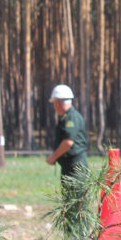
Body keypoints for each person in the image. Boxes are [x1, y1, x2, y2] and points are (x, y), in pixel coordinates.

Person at [46, 85, 89, 229]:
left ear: (58, 102)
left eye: (54, 103)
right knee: (70, 201)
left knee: (76, 202)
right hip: (69, 165)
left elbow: (68, 142)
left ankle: (80, 234)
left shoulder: (71, 117)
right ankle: (72, 232)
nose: (54, 107)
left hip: (75, 166)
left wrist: (53, 157)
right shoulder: (67, 117)